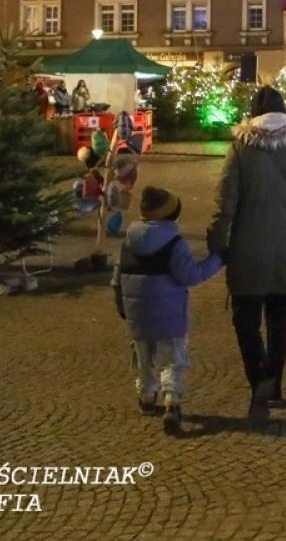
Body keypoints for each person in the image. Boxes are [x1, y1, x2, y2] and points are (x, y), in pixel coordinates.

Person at [207, 86, 286, 425]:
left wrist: (216, 242)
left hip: (248, 250)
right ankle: (274, 384)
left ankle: (259, 378)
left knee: (245, 321)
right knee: (279, 319)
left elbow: (224, 203)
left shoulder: (239, 149)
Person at [112, 186, 223, 434]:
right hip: (169, 312)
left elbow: (117, 278)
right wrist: (218, 259)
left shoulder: (128, 241)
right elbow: (190, 275)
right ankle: (171, 402)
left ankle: (147, 398)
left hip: (137, 312)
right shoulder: (174, 243)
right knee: (172, 358)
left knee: (143, 355)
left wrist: (122, 305)